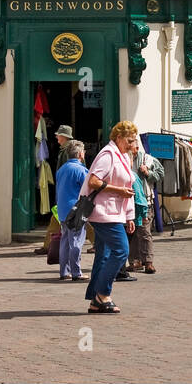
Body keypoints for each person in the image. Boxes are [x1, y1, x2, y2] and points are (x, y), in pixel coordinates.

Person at [83, 121, 138, 314]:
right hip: (103, 213)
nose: (132, 145)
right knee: (121, 251)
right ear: (119, 138)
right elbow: (94, 181)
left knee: (104, 255)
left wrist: (129, 216)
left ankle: (95, 300)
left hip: (115, 212)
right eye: (130, 141)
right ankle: (102, 294)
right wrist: (118, 190)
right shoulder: (108, 155)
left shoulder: (122, 156)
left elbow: (128, 188)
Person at [127, 137, 164, 274]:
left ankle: (148, 261)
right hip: (128, 201)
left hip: (145, 201)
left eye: (131, 146)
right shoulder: (124, 159)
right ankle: (135, 261)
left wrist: (148, 173)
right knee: (131, 232)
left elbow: (161, 174)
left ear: (137, 147)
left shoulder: (148, 159)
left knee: (144, 232)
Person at [54, 141, 88, 281]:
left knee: (65, 241)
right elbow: (88, 190)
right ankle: (76, 272)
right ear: (80, 154)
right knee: (76, 241)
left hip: (62, 209)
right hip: (75, 210)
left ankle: (64, 271)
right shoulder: (81, 170)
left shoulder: (61, 169)